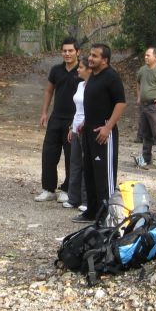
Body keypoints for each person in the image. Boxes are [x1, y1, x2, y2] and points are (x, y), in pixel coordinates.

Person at [72, 44, 126, 223]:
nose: (90, 58)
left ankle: (107, 215)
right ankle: (92, 212)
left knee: (104, 175)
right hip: (89, 131)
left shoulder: (111, 77)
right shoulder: (93, 76)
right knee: (89, 172)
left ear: (105, 60)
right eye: (90, 55)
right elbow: (94, 103)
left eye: (95, 56)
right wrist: (84, 123)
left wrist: (108, 127)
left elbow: (121, 104)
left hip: (103, 132)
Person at [35, 37, 81, 203]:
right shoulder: (56, 70)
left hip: (73, 120)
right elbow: (49, 91)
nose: (67, 54)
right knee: (49, 154)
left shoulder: (83, 71)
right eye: (64, 51)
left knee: (71, 157)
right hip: (56, 118)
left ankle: (67, 189)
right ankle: (48, 189)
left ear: (78, 52)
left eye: (70, 51)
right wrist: (44, 112)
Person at [64, 56, 91, 211]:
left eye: (81, 67)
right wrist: (71, 127)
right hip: (75, 128)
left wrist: (85, 125)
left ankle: (86, 200)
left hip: (87, 129)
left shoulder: (94, 86)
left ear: (89, 69)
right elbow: (77, 110)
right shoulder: (80, 85)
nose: (78, 70)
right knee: (74, 163)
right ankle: (73, 198)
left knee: (86, 165)